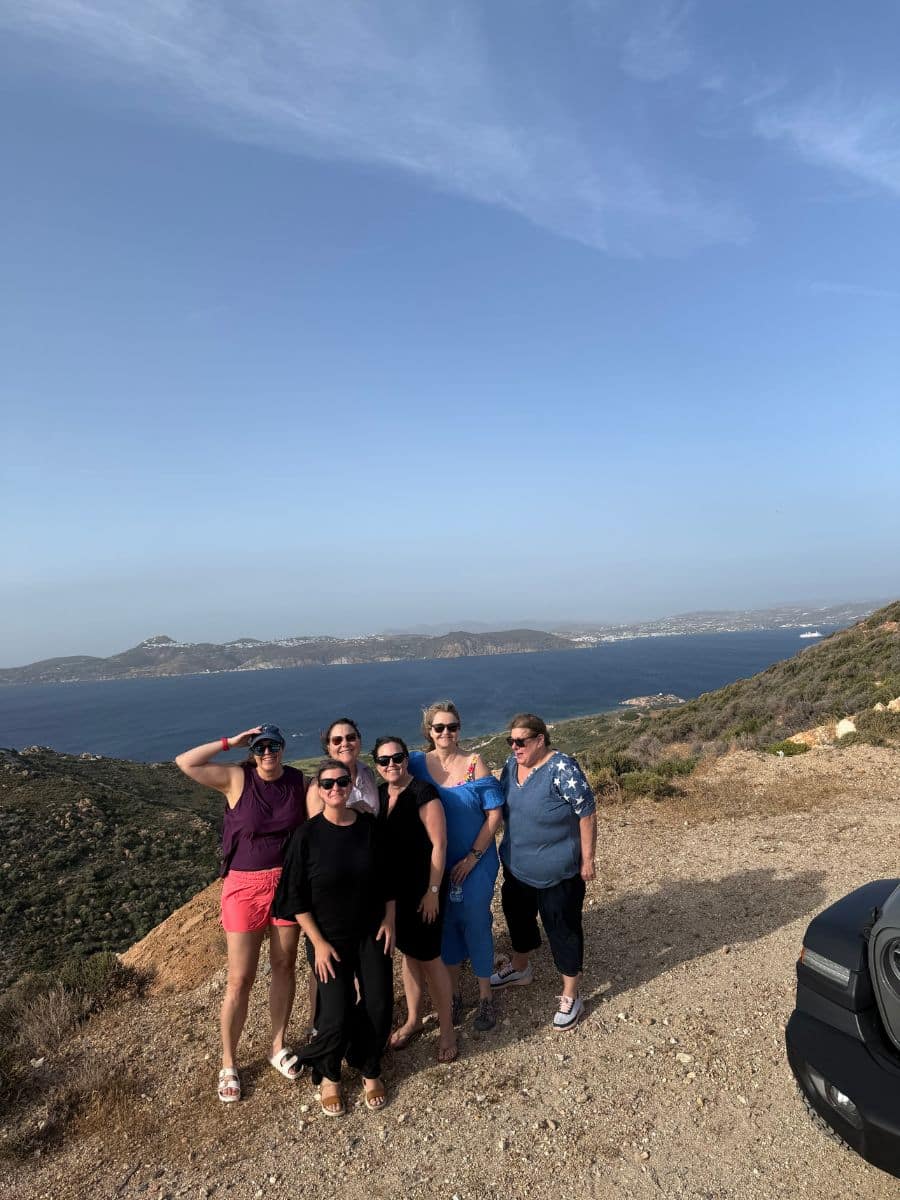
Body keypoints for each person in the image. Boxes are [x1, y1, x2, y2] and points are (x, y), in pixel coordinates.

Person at [174, 723, 308, 1102]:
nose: (268, 753)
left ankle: (277, 1046)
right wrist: (230, 742)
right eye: (261, 747)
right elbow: (185, 762)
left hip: (287, 885)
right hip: (244, 887)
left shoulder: (298, 782)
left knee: (284, 965)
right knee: (240, 978)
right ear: (253, 750)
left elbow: (333, 795)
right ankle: (228, 1062)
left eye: (274, 746)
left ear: (283, 748)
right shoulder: (237, 778)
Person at [273, 759, 395, 1116]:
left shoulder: (369, 827)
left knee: (378, 1003)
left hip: (372, 931)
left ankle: (369, 1066)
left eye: (342, 782)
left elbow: (387, 880)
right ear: (318, 790)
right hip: (328, 939)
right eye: (327, 784)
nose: (336, 789)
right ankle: (329, 1075)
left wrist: (389, 920)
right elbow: (294, 897)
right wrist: (319, 943)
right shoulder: (306, 836)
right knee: (335, 1010)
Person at [490, 713, 597, 1030]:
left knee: (562, 928)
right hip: (516, 868)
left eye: (520, 741)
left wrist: (588, 859)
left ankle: (570, 993)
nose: (514, 747)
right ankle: (521, 967)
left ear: (540, 739)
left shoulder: (561, 767)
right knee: (518, 919)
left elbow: (586, 812)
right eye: (510, 741)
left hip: (558, 873)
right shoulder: (511, 767)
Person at [408, 700, 504, 1032]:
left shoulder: (475, 763)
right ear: (428, 731)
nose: (446, 732)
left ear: (459, 728)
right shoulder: (416, 763)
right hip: (437, 863)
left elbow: (494, 814)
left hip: (476, 861)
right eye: (439, 727)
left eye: (452, 726)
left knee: (476, 922)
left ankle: (485, 996)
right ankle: (452, 996)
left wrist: (473, 858)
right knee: (444, 925)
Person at [372, 736, 458, 1063]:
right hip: (394, 895)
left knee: (430, 957)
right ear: (377, 765)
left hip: (424, 890)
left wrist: (433, 891)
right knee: (409, 955)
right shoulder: (379, 796)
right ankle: (413, 1019)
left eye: (397, 758)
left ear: (406, 759)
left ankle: (448, 1028)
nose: (391, 765)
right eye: (384, 760)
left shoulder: (423, 792)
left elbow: (440, 844)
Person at [305, 717, 378, 816]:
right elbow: (317, 826)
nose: (345, 743)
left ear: (359, 741)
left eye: (351, 737)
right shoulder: (321, 783)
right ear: (329, 747)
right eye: (337, 740)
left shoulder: (367, 772)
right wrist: (350, 809)